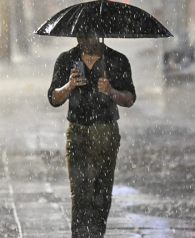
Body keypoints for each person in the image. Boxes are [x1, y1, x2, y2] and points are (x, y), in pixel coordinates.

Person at [47, 31, 136, 238]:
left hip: (106, 132)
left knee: (102, 195)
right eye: (79, 36)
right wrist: (69, 86)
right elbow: (53, 98)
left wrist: (111, 91)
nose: (83, 42)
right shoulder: (66, 59)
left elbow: (130, 98)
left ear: (99, 34)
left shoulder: (117, 60)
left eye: (88, 36)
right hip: (77, 133)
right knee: (79, 194)